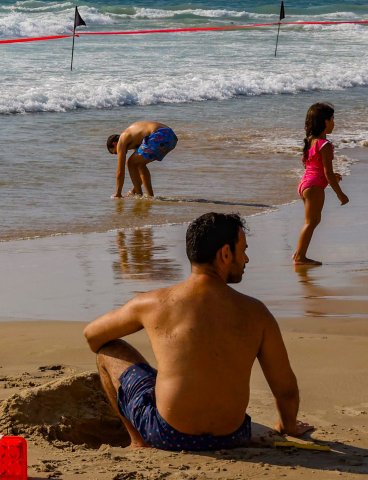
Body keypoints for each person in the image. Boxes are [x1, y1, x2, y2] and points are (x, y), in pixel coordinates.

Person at [84, 212, 312, 451]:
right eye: (243, 250)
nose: (246, 258)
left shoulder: (154, 303)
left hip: (168, 435)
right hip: (233, 436)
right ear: (225, 254)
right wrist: (289, 427)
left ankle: (139, 443)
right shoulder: (257, 313)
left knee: (108, 351)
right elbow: (285, 390)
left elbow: (92, 336)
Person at [292, 102, 349, 266]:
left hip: (305, 184)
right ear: (325, 121)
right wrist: (341, 194)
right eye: (332, 119)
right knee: (312, 222)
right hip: (314, 187)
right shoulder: (325, 145)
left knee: (311, 221)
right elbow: (327, 173)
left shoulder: (311, 141)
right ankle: (300, 257)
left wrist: (330, 177)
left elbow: (313, 166)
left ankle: (299, 253)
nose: (334, 122)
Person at [106, 121, 178, 198]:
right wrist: (133, 190)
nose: (117, 154)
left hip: (159, 134)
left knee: (130, 163)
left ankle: (139, 194)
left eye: (114, 152)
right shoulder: (136, 138)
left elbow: (120, 171)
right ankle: (150, 196)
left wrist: (118, 193)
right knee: (140, 165)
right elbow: (137, 174)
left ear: (114, 144)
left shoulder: (122, 139)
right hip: (171, 137)